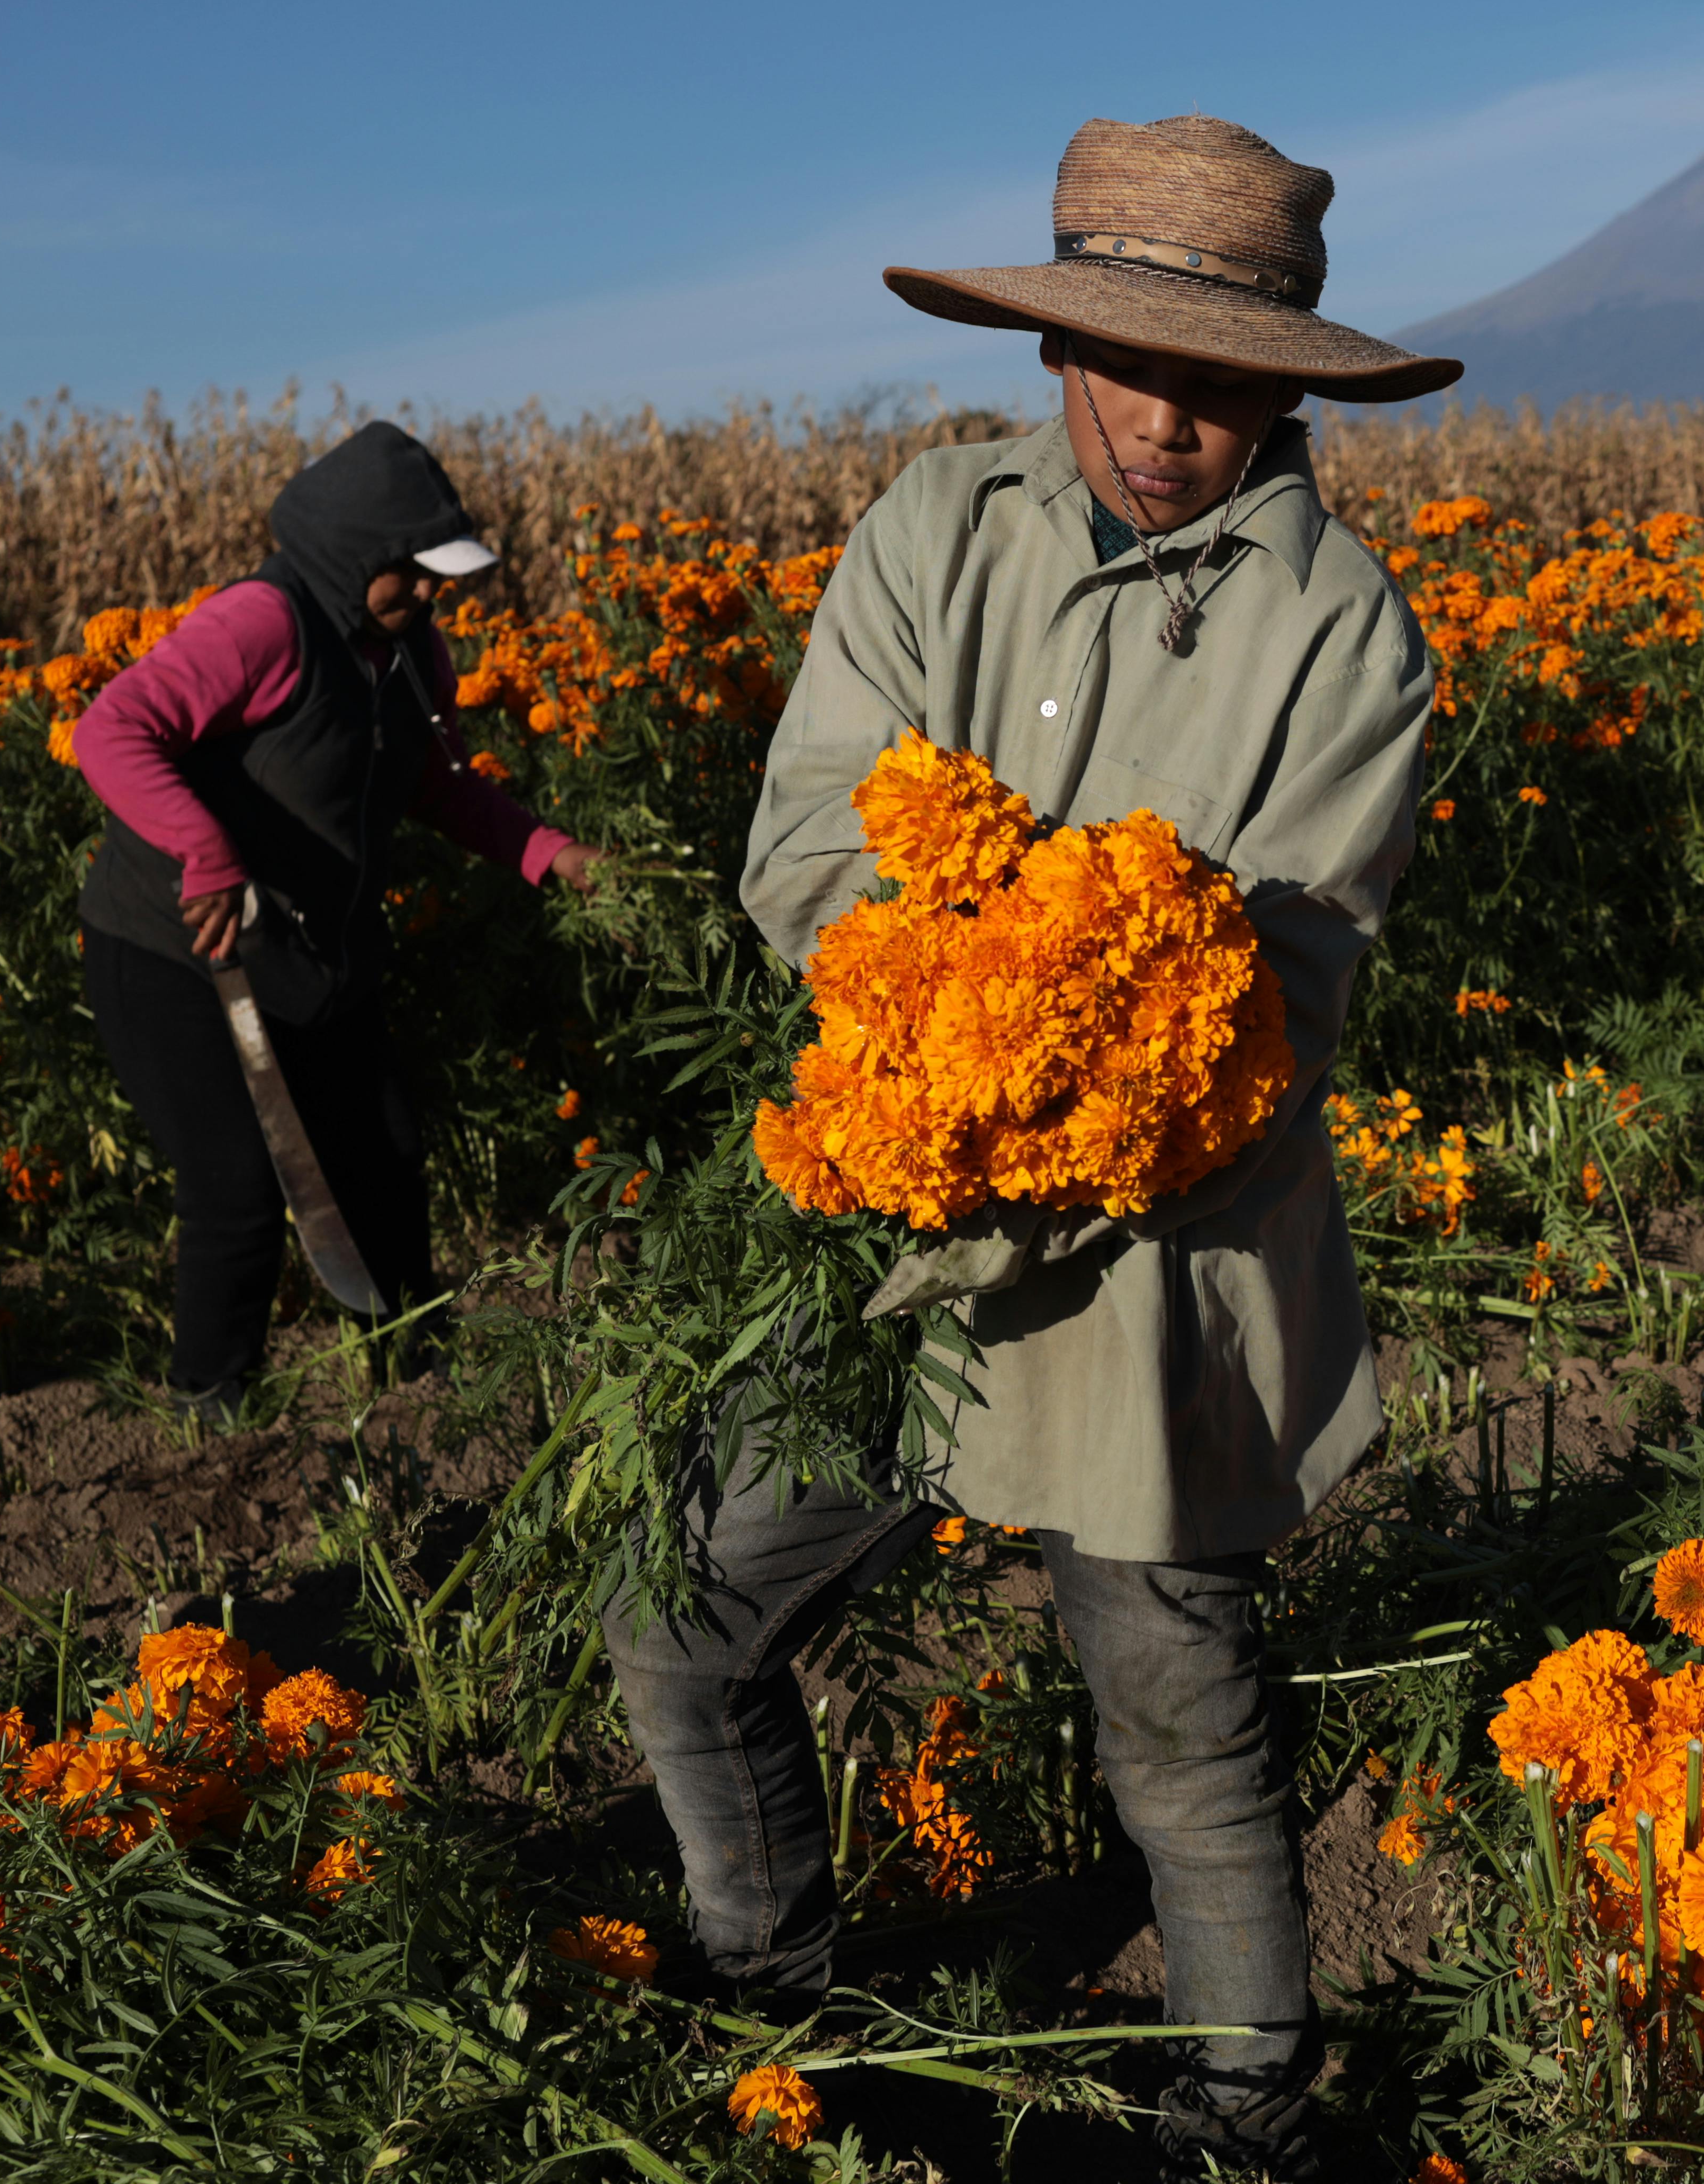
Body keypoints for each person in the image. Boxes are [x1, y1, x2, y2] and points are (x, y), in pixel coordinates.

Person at [602, 115, 1457, 2180]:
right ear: (1059, 346)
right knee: (684, 1626)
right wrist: (936, 1018)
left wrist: (1084, 1072)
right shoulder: (935, 535)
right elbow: (810, 836)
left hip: (1148, 1269)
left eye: (1227, 379)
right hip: (888, 1239)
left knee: (1177, 1718)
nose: (1173, 422)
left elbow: (1286, 997)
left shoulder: (1346, 634)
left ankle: (1245, 2111)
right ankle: (778, 2010)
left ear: (1289, 384)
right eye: (1136, 365)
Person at [73, 421, 606, 1416]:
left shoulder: (407, 651)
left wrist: (549, 853)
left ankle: (420, 1379)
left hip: (307, 949)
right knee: (236, 1188)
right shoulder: (263, 624)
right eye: (411, 573)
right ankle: (209, 1412)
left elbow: (440, 788)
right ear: (355, 555)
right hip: (175, 949)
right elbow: (110, 730)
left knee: (385, 1156)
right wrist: (207, 853)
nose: (429, 592)